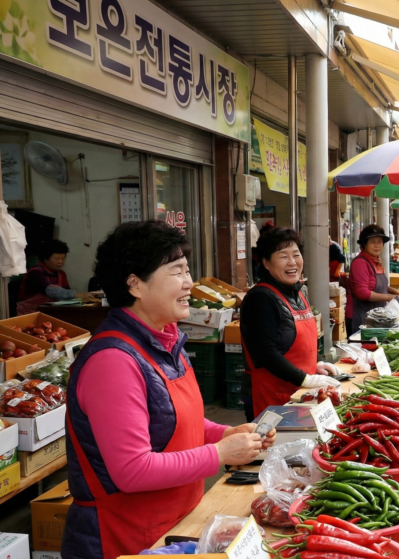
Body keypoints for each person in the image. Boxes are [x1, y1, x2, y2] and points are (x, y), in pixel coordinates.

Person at [63, 221, 276, 559]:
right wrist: (220, 454)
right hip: (123, 537)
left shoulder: (166, 341)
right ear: (135, 284)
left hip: (174, 524)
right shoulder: (113, 362)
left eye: (187, 271)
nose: (189, 283)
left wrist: (226, 432)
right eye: (177, 272)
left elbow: (175, 422)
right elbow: (132, 470)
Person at [241, 228, 341, 420]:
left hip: (300, 393)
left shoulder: (299, 292)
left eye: (296, 255)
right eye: (283, 256)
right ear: (266, 263)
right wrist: (306, 378)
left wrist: (317, 362)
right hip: (272, 397)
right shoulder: (261, 299)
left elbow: (305, 342)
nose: (292, 261)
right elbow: (265, 353)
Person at [347, 225, 399, 334]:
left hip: (375, 318)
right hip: (361, 317)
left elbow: (378, 285)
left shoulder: (376, 261)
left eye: (379, 242)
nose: (377, 245)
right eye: (373, 242)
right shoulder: (360, 263)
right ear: (364, 244)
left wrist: (395, 292)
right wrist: (390, 297)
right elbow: (362, 292)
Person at [17, 239, 96, 314]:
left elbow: (66, 294)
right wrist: (76, 294)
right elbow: (50, 291)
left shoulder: (61, 274)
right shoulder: (35, 272)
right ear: (45, 258)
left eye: (63, 258)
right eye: (57, 258)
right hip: (29, 312)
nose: (60, 262)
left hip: (51, 312)